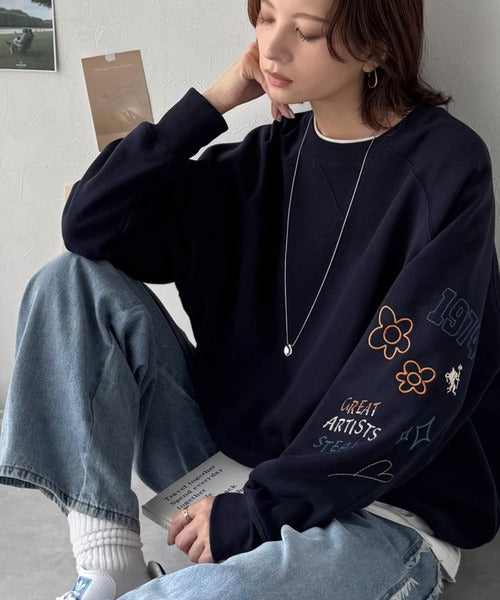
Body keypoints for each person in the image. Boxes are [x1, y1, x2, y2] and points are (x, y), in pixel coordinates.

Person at [1, 0, 499, 598]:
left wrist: (263, 510)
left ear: (375, 47)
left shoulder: (447, 166)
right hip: (235, 473)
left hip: (376, 506)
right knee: (69, 280)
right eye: (266, 18)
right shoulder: (259, 162)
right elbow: (88, 225)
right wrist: (212, 104)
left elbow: (412, 384)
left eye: (306, 31)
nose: (273, 48)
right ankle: (109, 568)